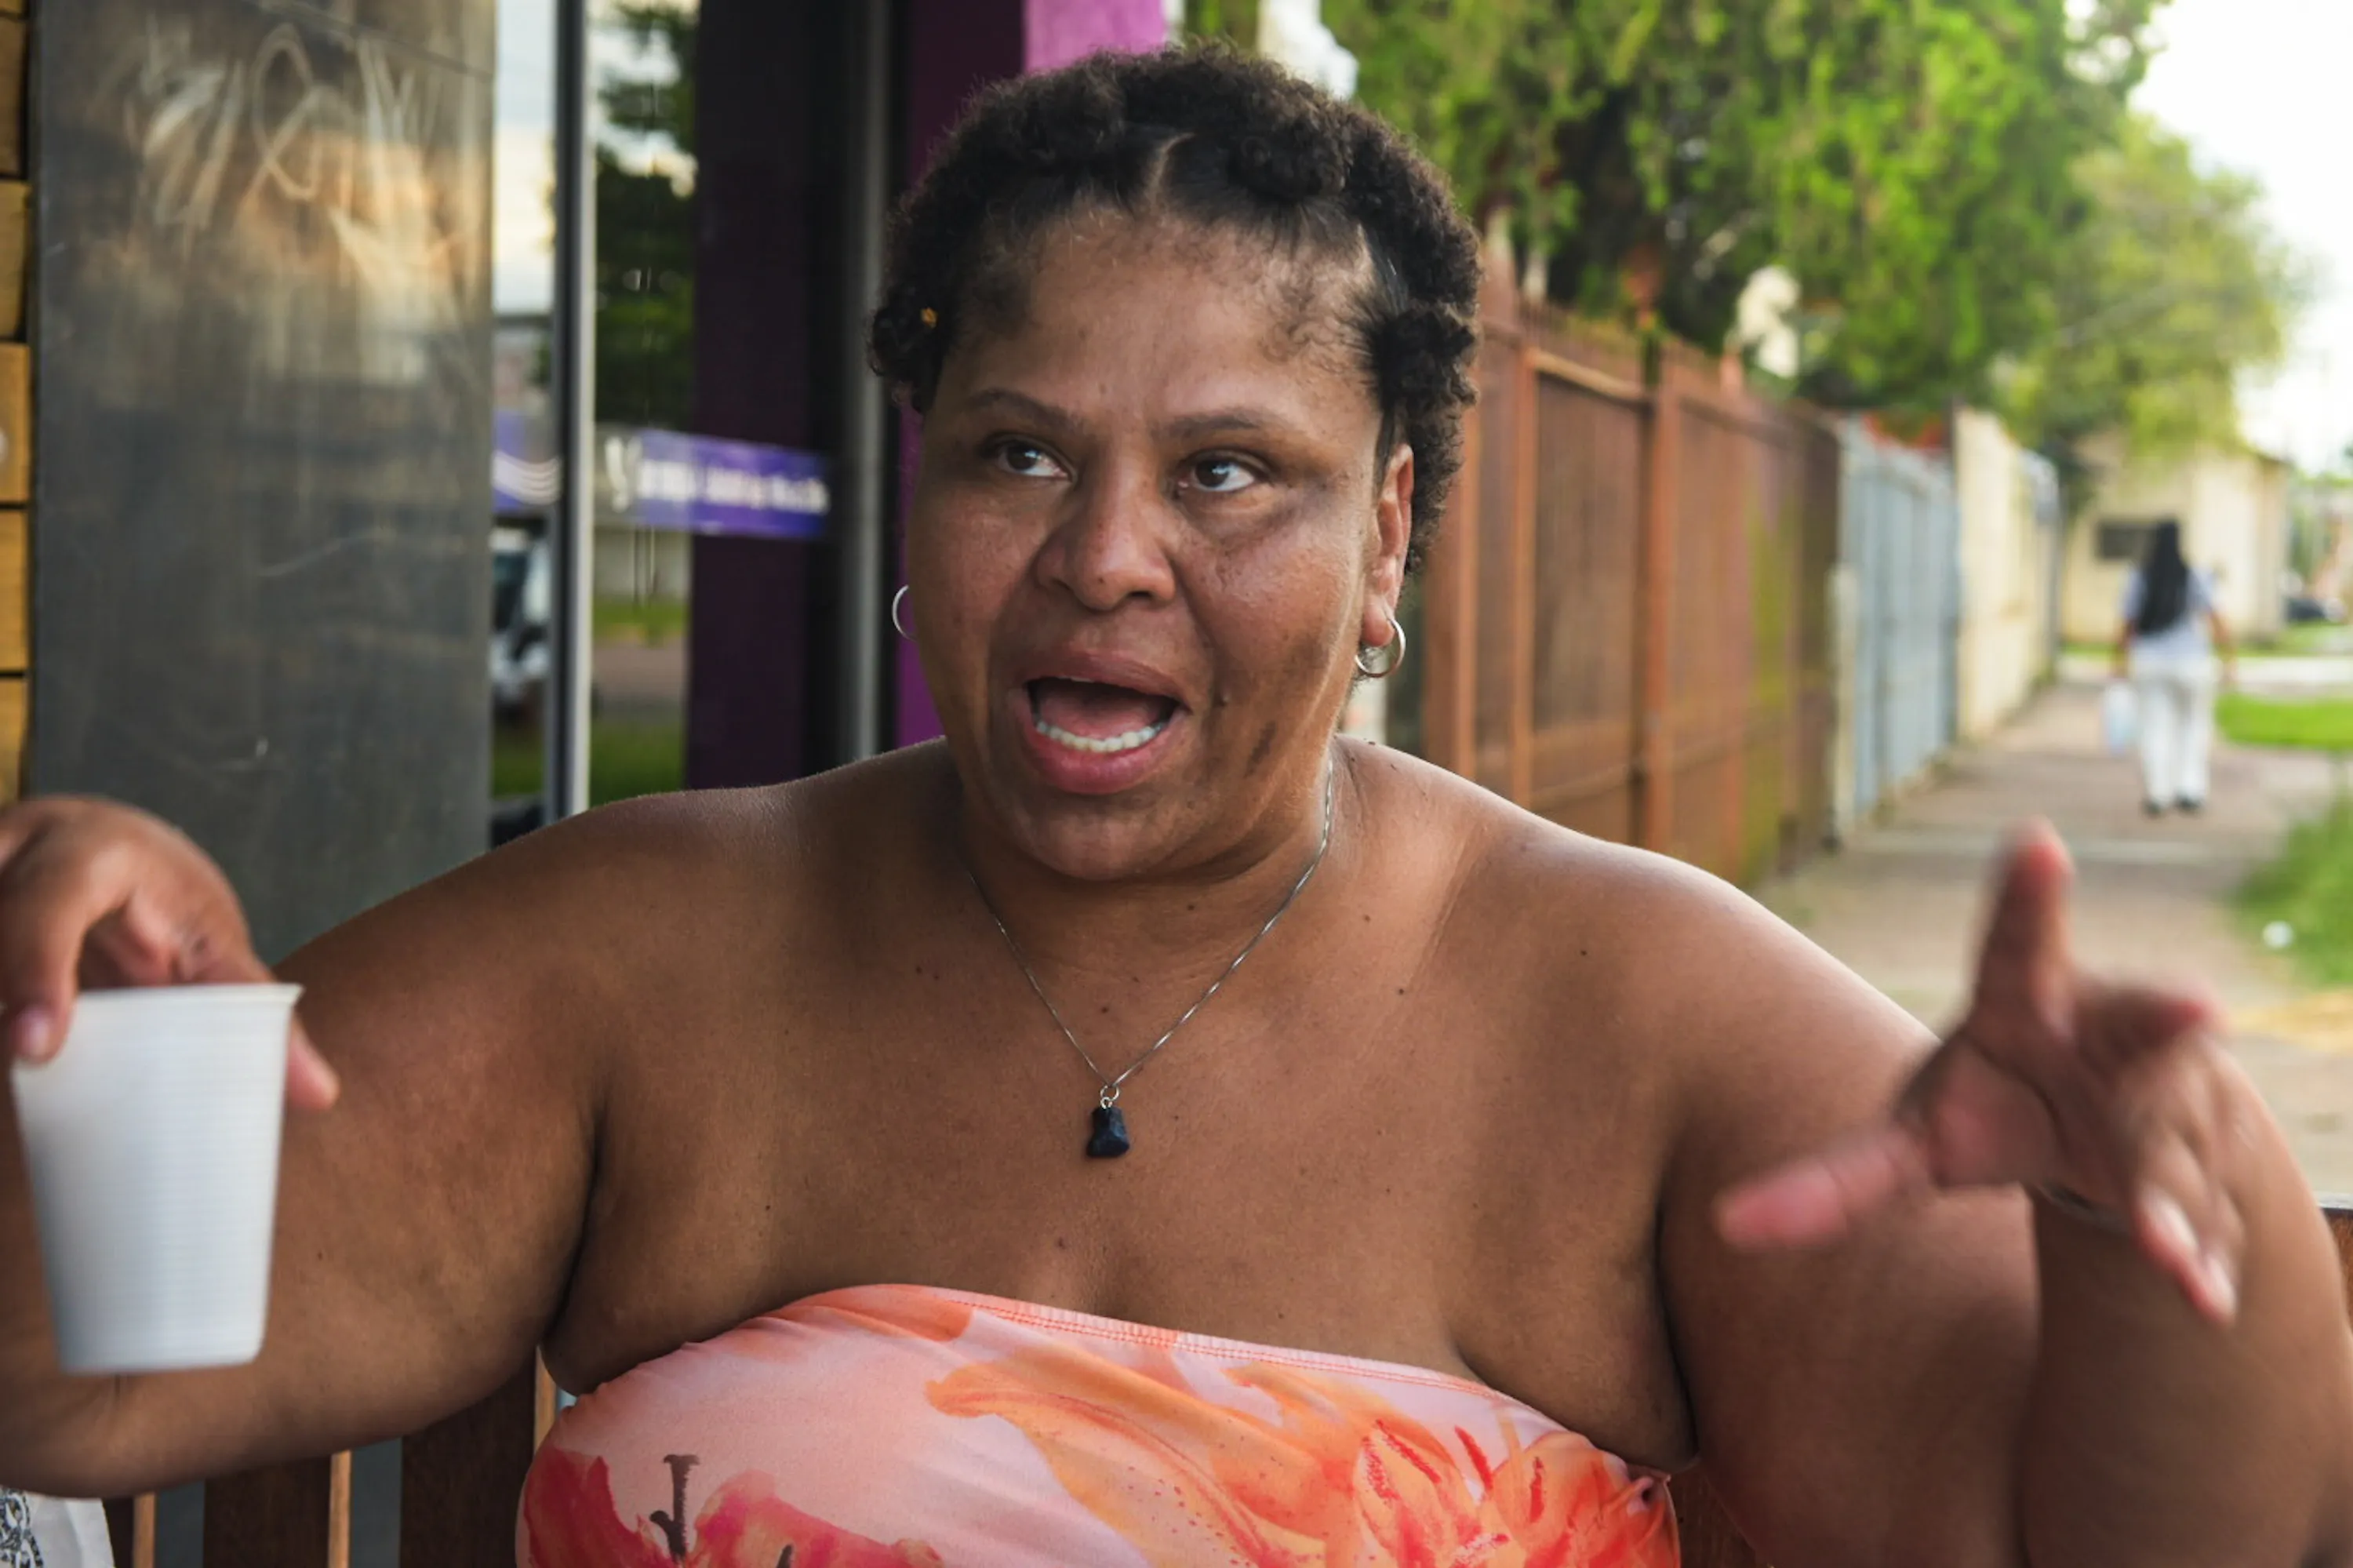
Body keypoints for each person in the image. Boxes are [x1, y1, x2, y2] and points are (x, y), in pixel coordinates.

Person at [2, 48, 2349, 1566]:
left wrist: (2168, 1199)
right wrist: (74, 1024)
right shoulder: (638, 955)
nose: (1103, 555)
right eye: (1021, 452)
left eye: (1230, 472)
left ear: (1393, 539)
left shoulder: (1640, 1017)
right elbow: (82, 1371)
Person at [2114, 519, 2235, 817]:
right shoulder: (2196, 576)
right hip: (2192, 663)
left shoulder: (2139, 577)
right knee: (2194, 726)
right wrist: (2229, 658)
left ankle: (2157, 793)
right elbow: (2216, 618)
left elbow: (2127, 625)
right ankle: (2190, 790)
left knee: (2155, 727)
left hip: (2150, 662)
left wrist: (2118, 661)